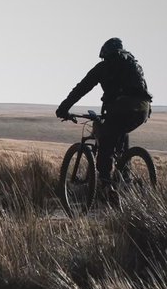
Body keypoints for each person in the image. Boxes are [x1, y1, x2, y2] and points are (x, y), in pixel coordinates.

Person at [55, 38, 152, 186]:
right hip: (142, 109)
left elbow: (81, 88)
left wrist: (63, 108)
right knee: (121, 134)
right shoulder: (133, 65)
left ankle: (105, 184)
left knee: (106, 141)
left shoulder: (103, 67)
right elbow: (143, 89)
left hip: (121, 108)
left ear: (104, 53)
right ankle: (125, 178)